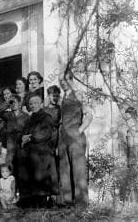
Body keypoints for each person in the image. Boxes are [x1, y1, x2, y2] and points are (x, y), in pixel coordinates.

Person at [17, 95, 59, 208]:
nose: (33, 105)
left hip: (42, 153)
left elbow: (45, 134)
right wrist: (22, 137)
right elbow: (23, 133)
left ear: (41, 104)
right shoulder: (29, 119)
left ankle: (43, 203)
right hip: (30, 153)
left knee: (41, 179)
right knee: (31, 179)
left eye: (35, 103)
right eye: (31, 103)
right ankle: (32, 203)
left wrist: (30, 137)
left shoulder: (46, 117)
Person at [58, 71, 93, 207]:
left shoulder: (79, 94)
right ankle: (67, 202)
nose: (63, 83)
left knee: (78, 170)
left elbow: (89, 115)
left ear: (71, 80)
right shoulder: (62, 98)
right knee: (64, 170)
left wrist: (79, 130)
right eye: (60, 80)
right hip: (63, 138)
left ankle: (81, 204)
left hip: (75, 137)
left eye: (65, 80)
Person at [0, 94, 29, 166]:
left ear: (20, 103)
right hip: (10, 140)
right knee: (9, 161)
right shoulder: (8, 114)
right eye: (12, 102)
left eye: (15, 102)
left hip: (21, 140)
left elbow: (28, 129)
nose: (13, 104)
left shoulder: (25, 115)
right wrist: (8, 102)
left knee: (21, 162)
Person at [43, 85, 62, 150]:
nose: (55, 98)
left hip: (56, 138)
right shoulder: (43, 110)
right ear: (48, 96)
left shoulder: (60, 109)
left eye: (57, 96)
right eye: (53, 96)